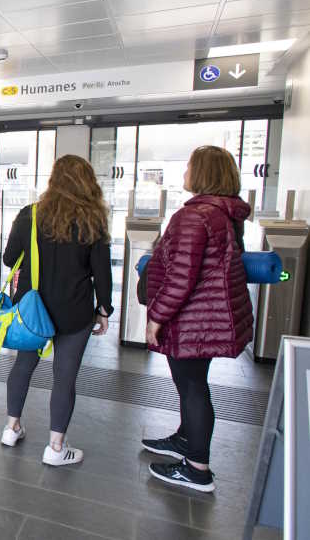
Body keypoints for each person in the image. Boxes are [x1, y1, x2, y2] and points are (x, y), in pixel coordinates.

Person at [141, 146, 252, 493]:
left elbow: (181, 276)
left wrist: (156, 317)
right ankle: (186, 439)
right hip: (208, 317)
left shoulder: (196, 216)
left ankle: (196, 468)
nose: (185, 171)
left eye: (189, 166)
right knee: (191, 384)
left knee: (192, 387)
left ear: (202, 173)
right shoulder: (227, 215)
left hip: (192, 319)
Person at [1, 155, 112, 466]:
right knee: (65, 377)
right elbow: (102, 272)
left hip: (32, 310)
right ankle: (56, 448)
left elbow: (10, 258)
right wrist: (103, 309)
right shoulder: (93, 220)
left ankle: (11, 428)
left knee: (23, 366)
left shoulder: (29, 214)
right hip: (75, 311)